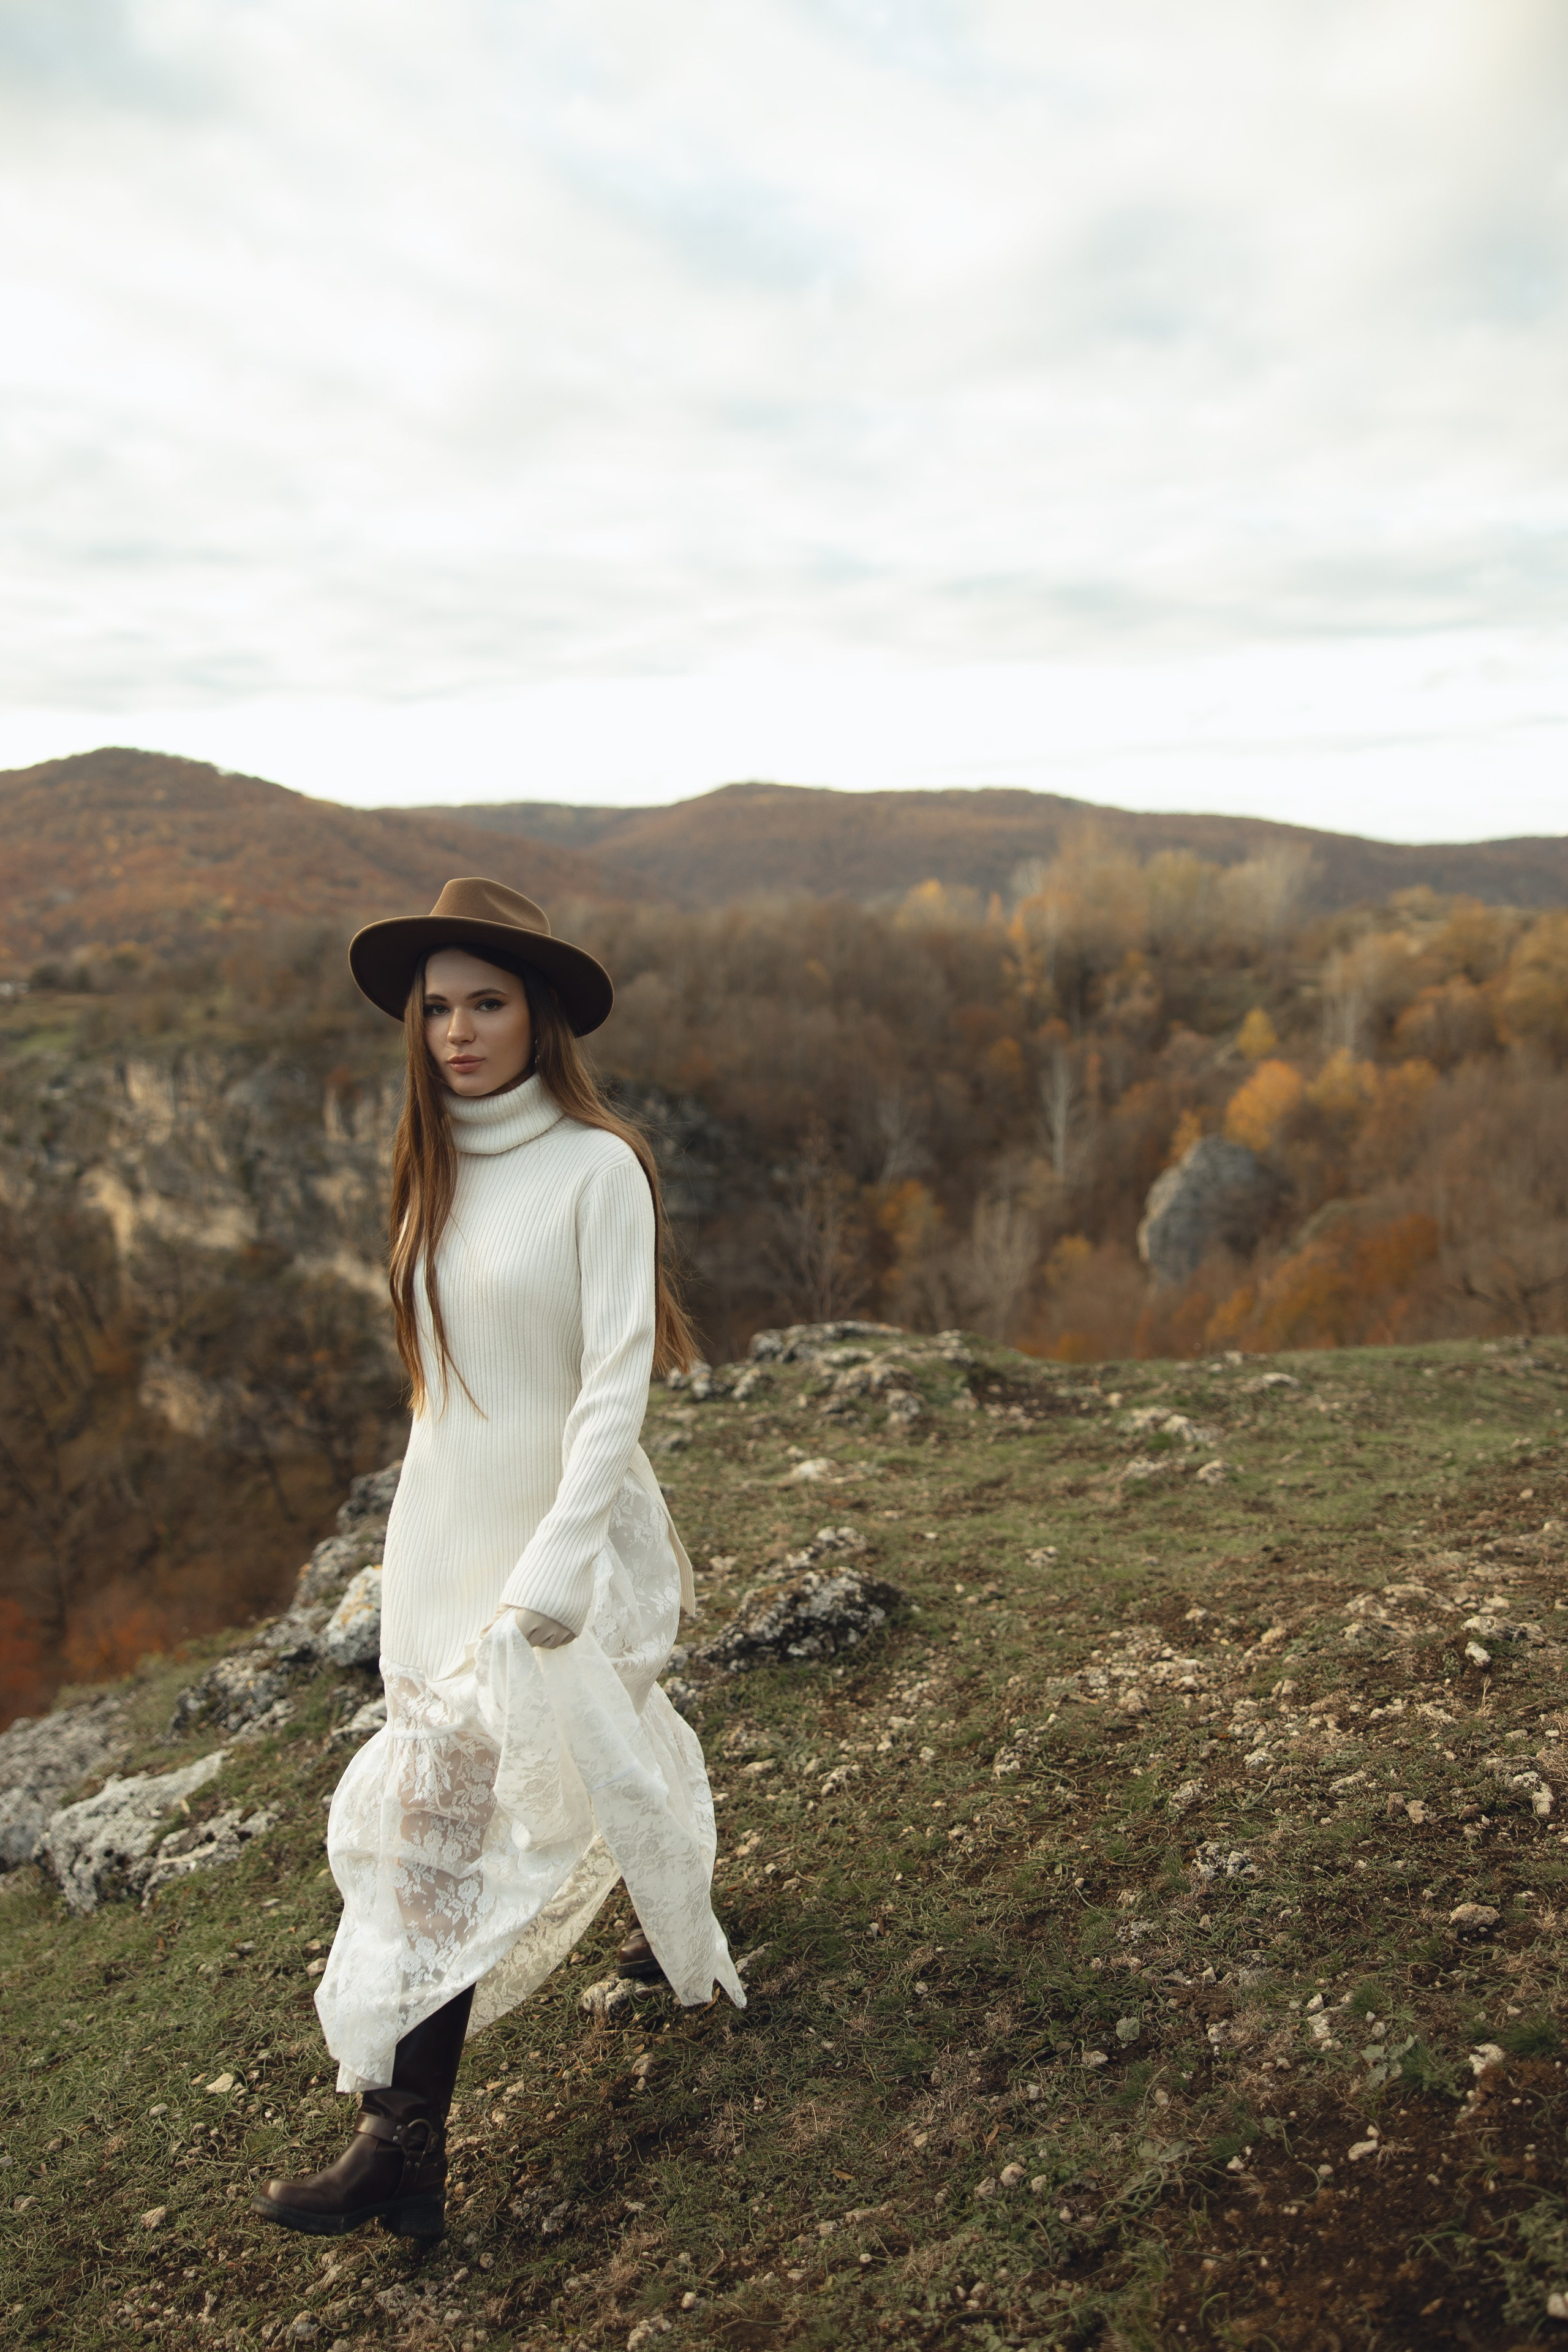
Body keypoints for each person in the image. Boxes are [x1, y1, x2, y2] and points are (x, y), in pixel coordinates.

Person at [253, 878, 743, 2241]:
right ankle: (658, 1931)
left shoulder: (597, 1166)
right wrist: (408, 1555)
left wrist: (558, 1562)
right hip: (442, 1540)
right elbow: (436, 1400)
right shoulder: (430, 1166)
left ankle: (400, 2145)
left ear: (539, 1017)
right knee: (522, 1770)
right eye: (437, 1008)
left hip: (554, 1532)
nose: (456, 1031)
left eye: (486, 1003)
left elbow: (609, 1386)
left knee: (463, 1813)